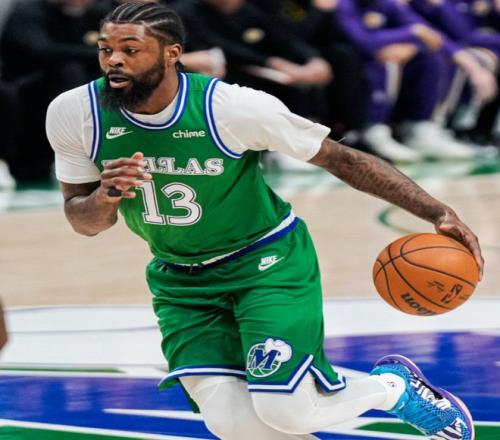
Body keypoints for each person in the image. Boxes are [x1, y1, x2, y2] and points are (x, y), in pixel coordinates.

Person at [46, 3, 483, 439]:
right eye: (105, 49)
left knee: (288, 412)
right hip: (180, 281)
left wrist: (437, 211)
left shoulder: (230, 107)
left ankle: (393, 388)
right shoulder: (75, 112)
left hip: (264, 263)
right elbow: (84, 221)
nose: (114, 60)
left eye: (130, 49)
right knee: (230, 422)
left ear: (171, 53)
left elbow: (342, 159)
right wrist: (106, 195)